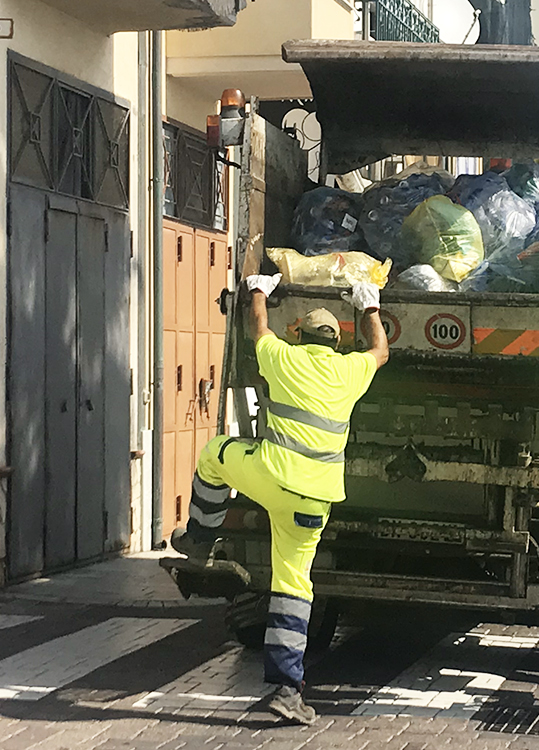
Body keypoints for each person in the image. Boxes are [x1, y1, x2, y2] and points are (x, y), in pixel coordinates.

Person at [170, 273, 388, 725]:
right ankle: (287, 690)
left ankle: (199, 540)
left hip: (270, 476)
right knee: (294, 586)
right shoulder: (350, 371)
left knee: (214, 455)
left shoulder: (283, 357)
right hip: (314, 501)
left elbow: (258, 328)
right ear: (336, 342)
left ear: (299, 335)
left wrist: (258, 291)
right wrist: (370, 305)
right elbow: (380, 351)